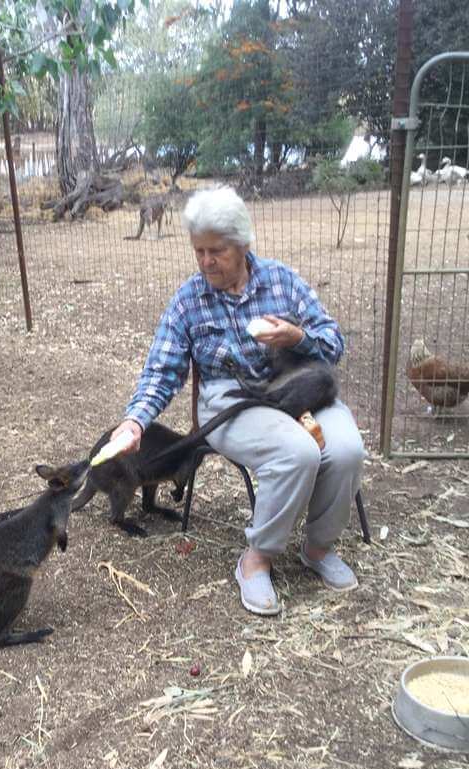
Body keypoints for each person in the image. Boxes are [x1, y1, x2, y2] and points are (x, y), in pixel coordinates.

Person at [111, 187, 365, 616]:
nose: (206, 261)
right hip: (230, 397)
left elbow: (333, 343)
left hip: (299, 385)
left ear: (244, 245)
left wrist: (297, 337)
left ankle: (318, 548)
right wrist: (135, 421)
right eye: (199, 251)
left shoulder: (282, 281)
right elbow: (162, 371)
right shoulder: (189, 299)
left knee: (345, 448)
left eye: (217, 250)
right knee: (297, 451)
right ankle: (256, 559)